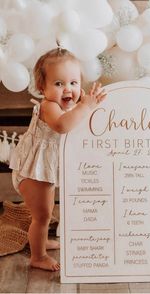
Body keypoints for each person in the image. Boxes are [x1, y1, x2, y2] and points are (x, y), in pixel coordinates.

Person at [9, 47, 107, 271]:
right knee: (42, 216)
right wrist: (85, 105)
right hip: (33, 170)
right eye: (59, 84)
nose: (68, 89)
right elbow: (63, 126)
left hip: (45, 167)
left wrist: (89, 101)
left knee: (46, 210)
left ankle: (40, 242)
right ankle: (38, 256)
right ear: (42, 88)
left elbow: (80, 108)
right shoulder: (49, 106)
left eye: (73, 83)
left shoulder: (69, 100)